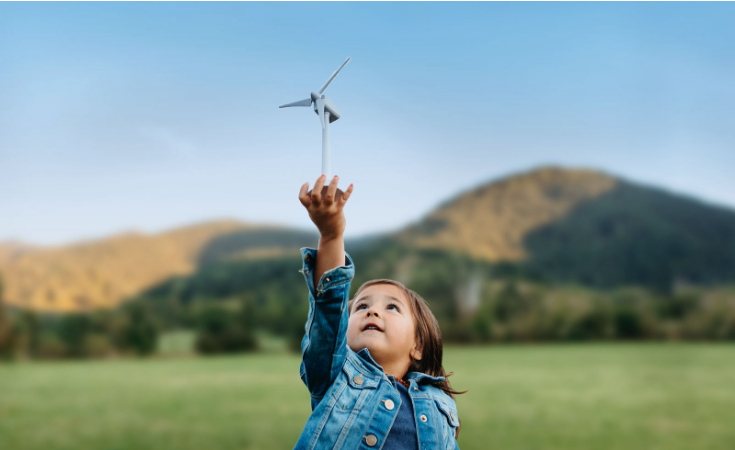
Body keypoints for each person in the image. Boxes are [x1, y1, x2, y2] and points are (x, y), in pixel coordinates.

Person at [294, 174, 465, 450]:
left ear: (418, 345)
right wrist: (331, 234)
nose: (372, 311)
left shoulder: (439, 404)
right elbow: (328, 313)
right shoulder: (336, 375)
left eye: (392, 307)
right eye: (361, 306)